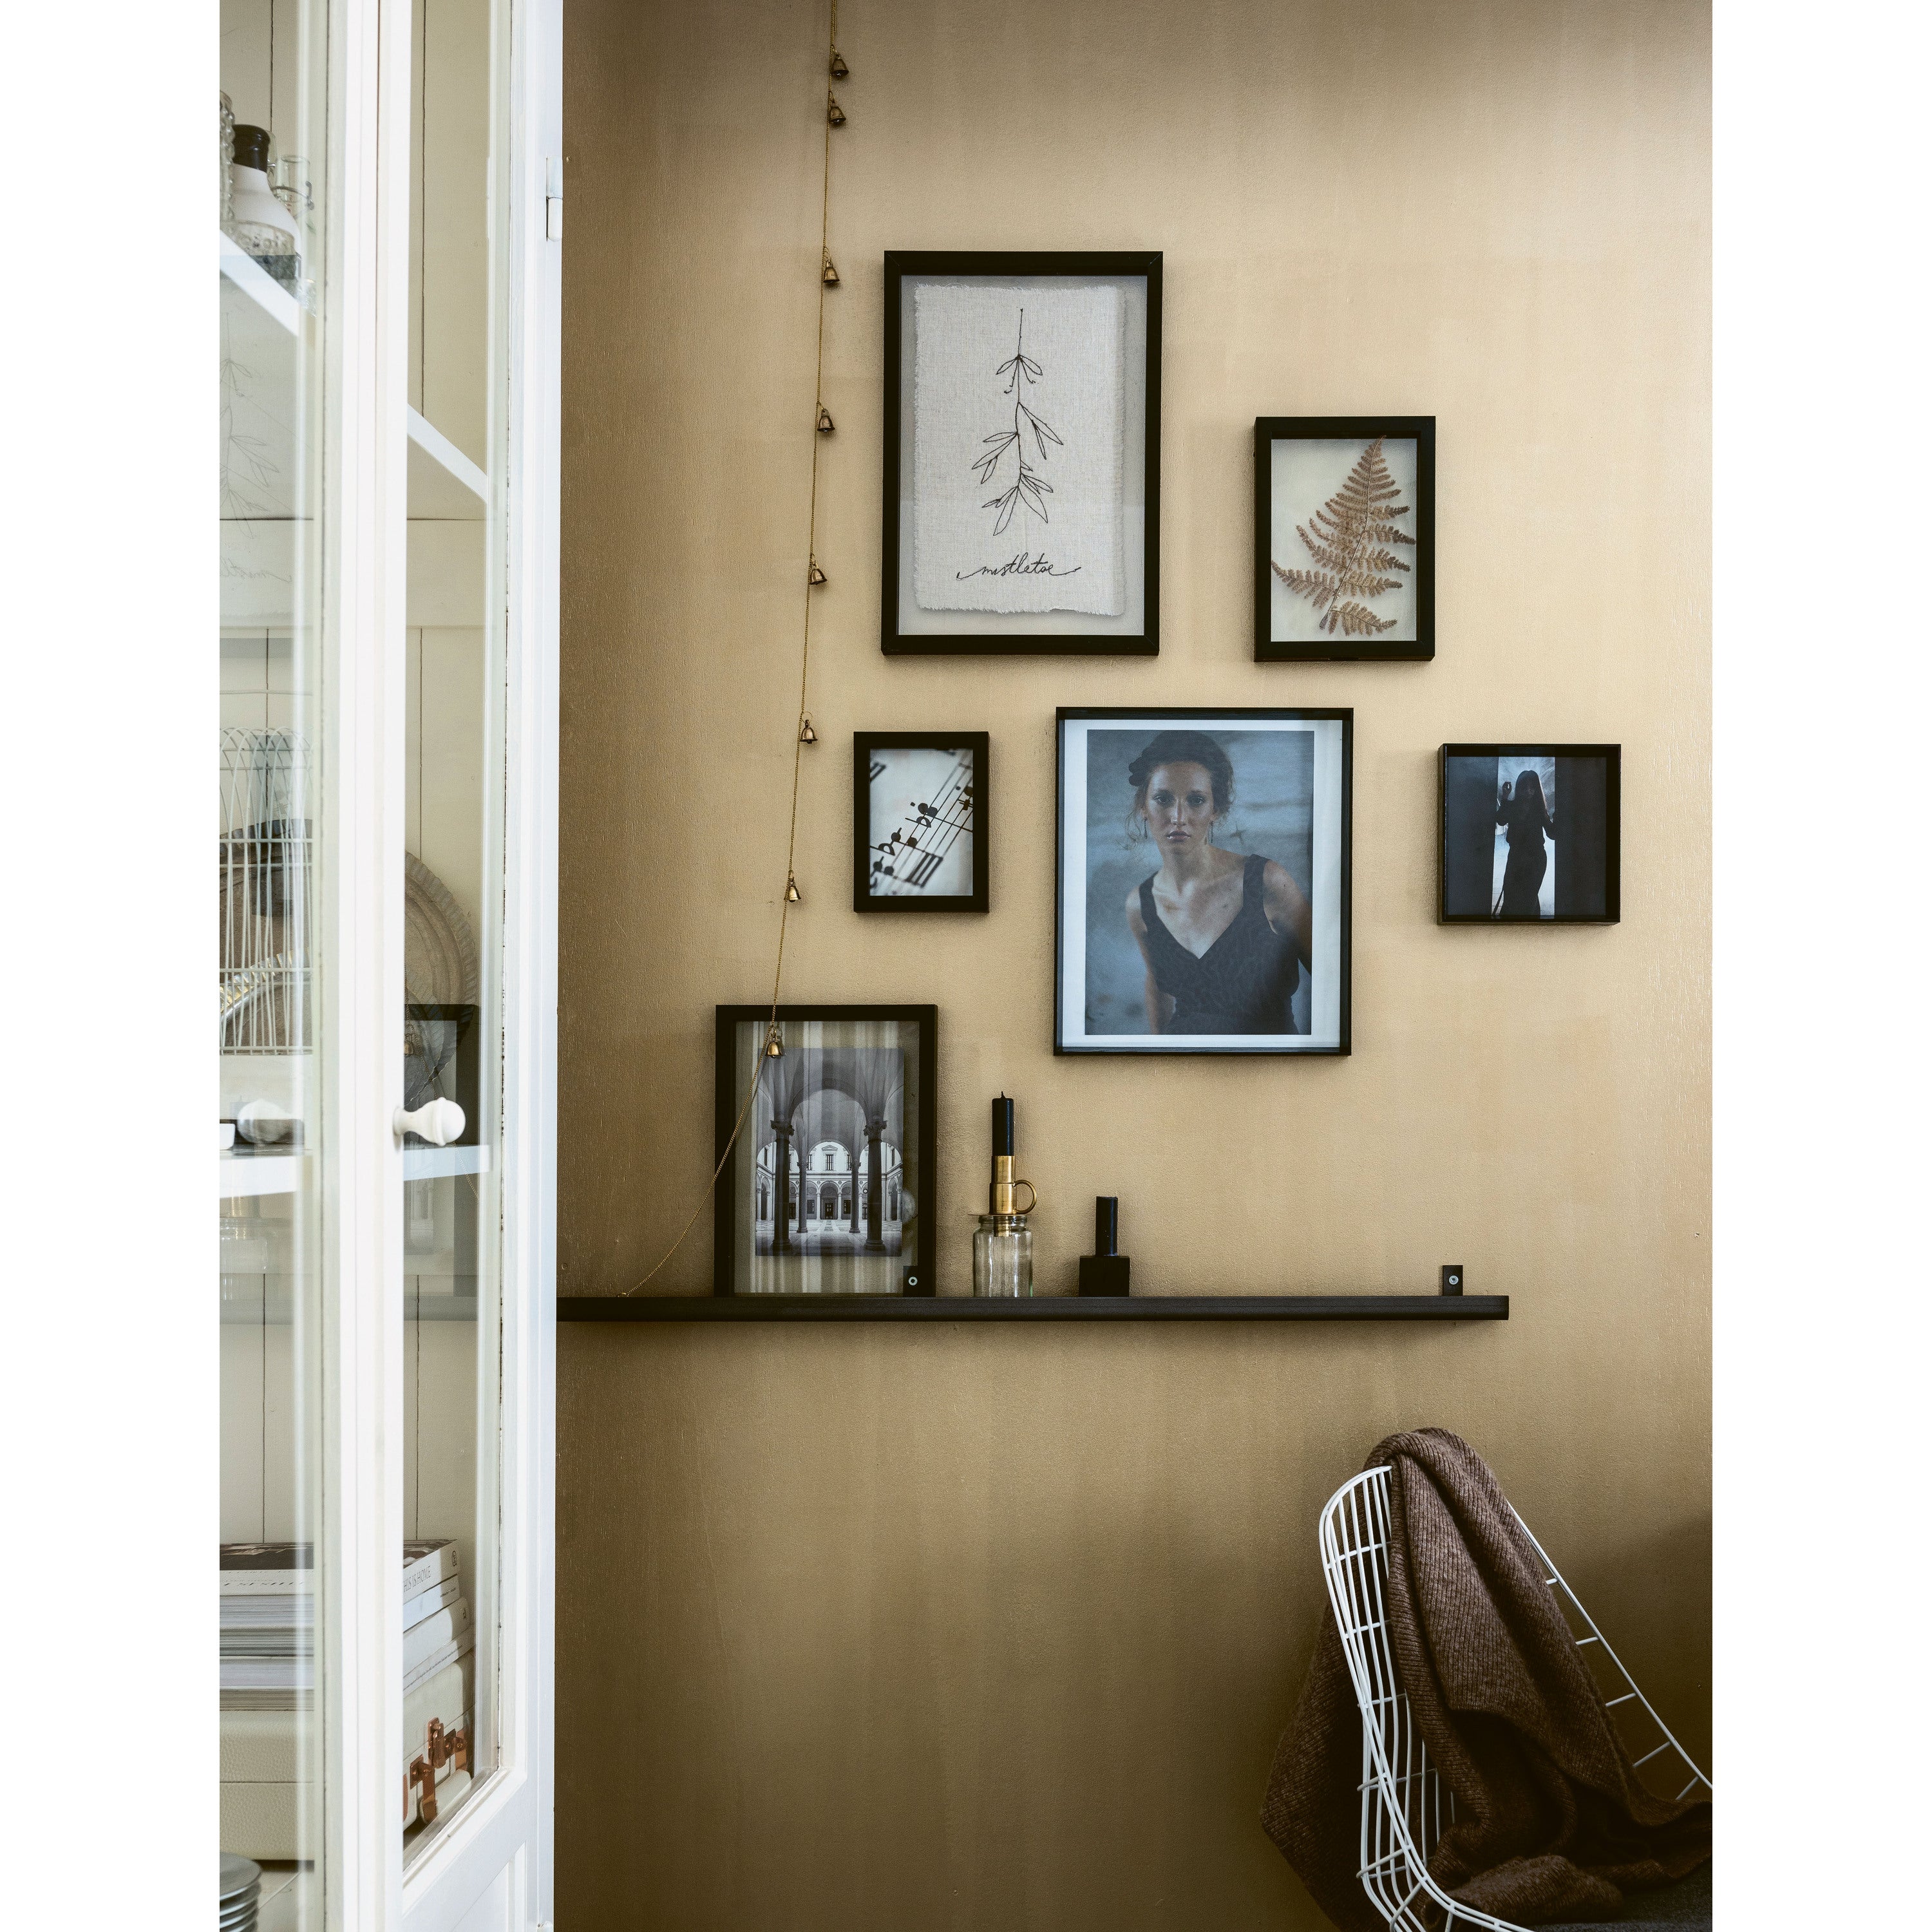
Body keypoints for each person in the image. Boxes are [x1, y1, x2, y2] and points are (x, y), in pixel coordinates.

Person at [1120, 730, 1312, 1034]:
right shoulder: (1140, 903)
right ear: (1144, 807)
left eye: (1196, 800)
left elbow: (1334, 979)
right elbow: (1158, 987)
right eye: (1163, 799)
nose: (1178, 817)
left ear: (1216, 809)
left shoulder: (1266, 882)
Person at [1495, 769, 1555, 917]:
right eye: (1524, 787)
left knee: (1529, 899)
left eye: (1531, 787)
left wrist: (1560, 815)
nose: (1527, 791)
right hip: (1516, 858)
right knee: (1512, 897)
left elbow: (1552, 833)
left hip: (1535, 859)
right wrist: (1505, 797)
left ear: (1535, 790)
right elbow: (1501, 820)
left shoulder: (1539, 810)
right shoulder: (1513, 806)